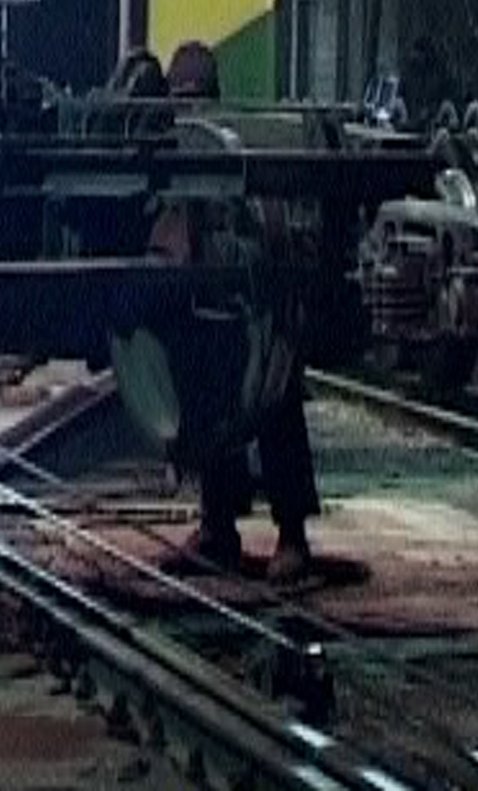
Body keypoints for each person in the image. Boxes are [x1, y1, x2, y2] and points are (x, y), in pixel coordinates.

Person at [161, 40, 319, 584]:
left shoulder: (241, 145)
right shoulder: (174, 147)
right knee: (208, 407)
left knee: (277, 407)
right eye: (179, 99)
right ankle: (217, 527)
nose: (188, 108)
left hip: (259, 304)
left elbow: (269, 226)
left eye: (194, 96)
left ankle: (292, 535)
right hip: (206, 307)